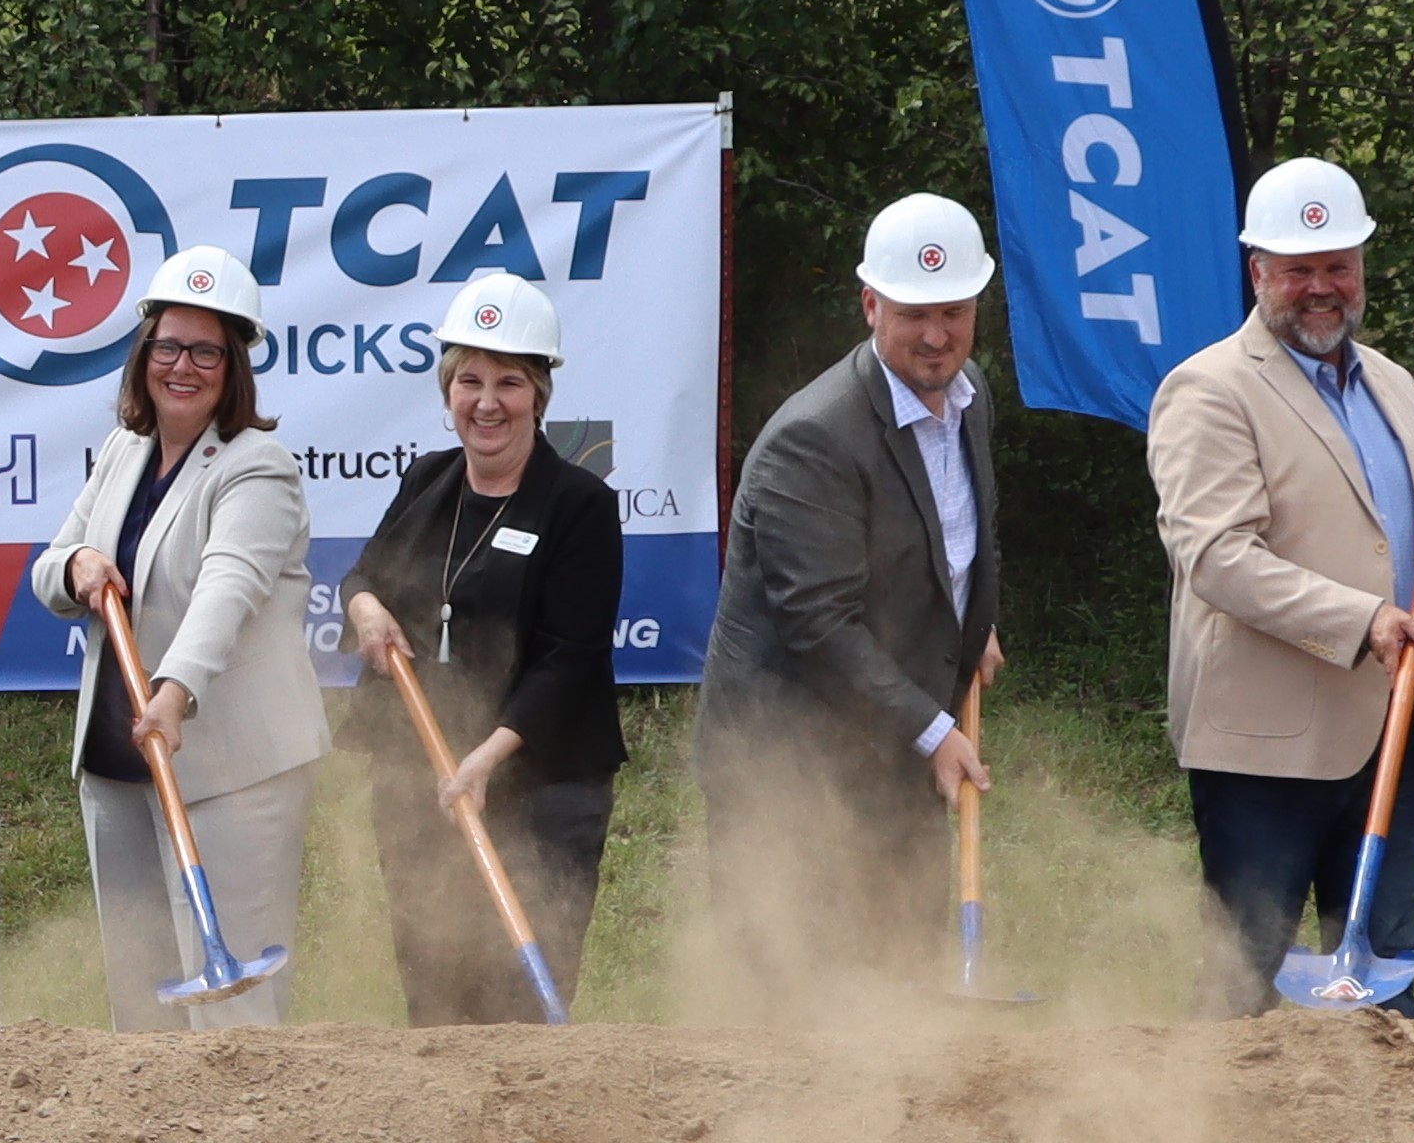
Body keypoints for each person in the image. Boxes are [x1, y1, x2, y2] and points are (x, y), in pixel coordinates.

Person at [1143, 162, 1414, 1014]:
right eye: (1297, 269)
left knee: (1384, 978)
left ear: (1362, 269)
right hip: (1265, 743)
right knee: (1247, 986)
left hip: (1389, 725)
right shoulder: (1208, 390)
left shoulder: (1390, 383)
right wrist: (1362, 620)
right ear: (1257, 272)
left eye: (1337, 266)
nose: (1320, 288)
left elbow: (1401, 540)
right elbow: (1218, 557)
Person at [702, 196, 1007, 981]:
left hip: (894, 728)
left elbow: (952, 543)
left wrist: (970, 625)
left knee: (900, 964)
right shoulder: (815, 439)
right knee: (800, 988)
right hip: (791, 762)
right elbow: (820, 624)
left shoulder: (968, 398)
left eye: (954, 311)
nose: (937, 335)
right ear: (871, 305)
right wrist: (937, 734)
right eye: (914, 314)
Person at [24, 246, 321, 1029]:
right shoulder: (127, 452)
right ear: (142, 354)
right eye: (167, 346)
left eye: (205, 350)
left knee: (232, 1015)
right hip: (122, 759)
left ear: (233, 365)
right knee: (144, 999)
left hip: (229, 763)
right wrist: (81, 563)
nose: (181, 366)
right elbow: (49, 570)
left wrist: (175, 692)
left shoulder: (260, 469)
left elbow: (228, 588)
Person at [340, 272, 626, 1023]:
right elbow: (368, 574)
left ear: (539, 394)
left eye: (509, 381)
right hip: (421, 783)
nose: (486, 401)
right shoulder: (427, 480)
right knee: (437, 996)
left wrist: (486, 760)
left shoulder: (580, 507)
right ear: (447, 391)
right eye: (468, 380)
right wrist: (365, 606)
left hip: (539, 789)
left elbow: (571, 656)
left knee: (519, 1006)